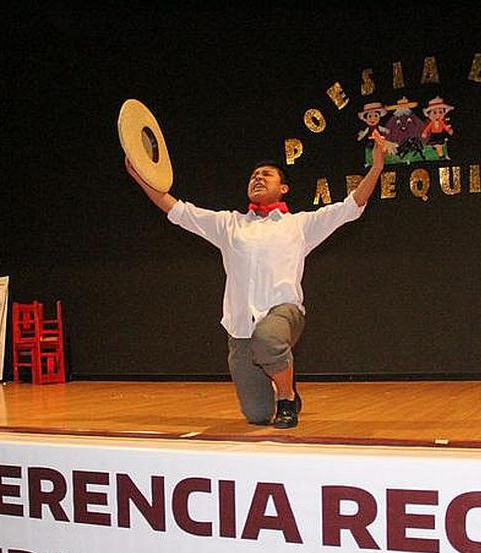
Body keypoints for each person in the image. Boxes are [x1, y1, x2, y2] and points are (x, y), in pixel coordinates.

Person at [126, 133, 389, 428]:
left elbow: (351, 205)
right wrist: (142, 177)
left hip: (283, 313)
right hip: (240, 329)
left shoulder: (300, 225)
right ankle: (283, 388)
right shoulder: (228, 224)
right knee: (258, 415)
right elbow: (177, 210)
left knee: (267, 338)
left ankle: (287, 398)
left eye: (266, 174)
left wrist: (377, 166)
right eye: (254, 175)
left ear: (284, 188)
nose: (258, 178)